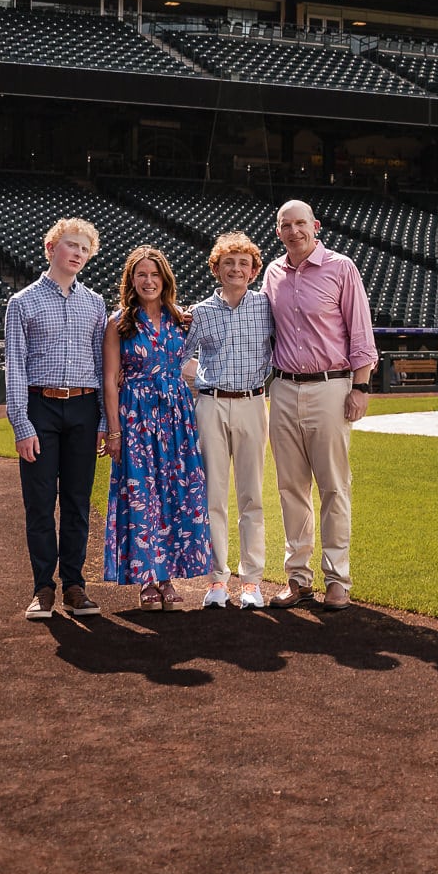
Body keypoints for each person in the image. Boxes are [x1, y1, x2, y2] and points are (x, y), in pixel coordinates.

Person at [262, 199, 377, 612]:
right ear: (278, 232)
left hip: (331, 386)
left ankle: (337, 579)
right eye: (286, 225)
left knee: (332, 487)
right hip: (284, 388)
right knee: (291, 488)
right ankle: (297, 578)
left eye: (300, 224)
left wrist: (360, 388)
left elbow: (361, 333)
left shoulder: (341, 267)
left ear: (316, 227)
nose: (294, 231)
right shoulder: (273, 274)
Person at [5, 217, 108, 620]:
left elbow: (101, 367)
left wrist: (102, 420)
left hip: (84, 408)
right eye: (71, 246)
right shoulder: (23, 302)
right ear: (52, 249)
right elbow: (14, 365)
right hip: (40, 407)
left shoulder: (95, 303)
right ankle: (43, 588)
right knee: (40, 503)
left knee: (78, 503)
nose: (78, 254)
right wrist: (21, 423)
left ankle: (74, 586)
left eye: (84, 248)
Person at [101, 246, 211, 611]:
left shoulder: (183, 319)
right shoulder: (118, 322)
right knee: (141, 495)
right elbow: (109, 380)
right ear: (131, 281)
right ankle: (147, 580)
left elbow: (198, 362)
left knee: (174, 495)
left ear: (165, 279)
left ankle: (168, 577)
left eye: (154, 274)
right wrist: (114, 431)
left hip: (177, 417)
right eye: (141, 275)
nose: (148, 281)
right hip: (135, 416)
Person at [182, 231, 276, 610]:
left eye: (243, 263)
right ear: (216, 269)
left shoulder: (268, 306)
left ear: (254, 271)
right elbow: (181, 358)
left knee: (251, 496)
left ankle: (251, 582)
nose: (236, 269)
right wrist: (196, 384)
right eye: (228, 263)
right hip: (212, 404)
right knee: (213, 497)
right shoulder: (200, 312)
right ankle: (217, 581)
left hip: (254, 403)